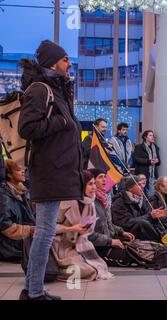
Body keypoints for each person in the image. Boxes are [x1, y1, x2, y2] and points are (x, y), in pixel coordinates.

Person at [18, 40, 83, 300]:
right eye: (65, 59)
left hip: (57, 172)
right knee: (44, 234)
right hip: (48, 172)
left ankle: (32, 289)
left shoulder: (59, 91)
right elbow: (27, 129)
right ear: (53, 62)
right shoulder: (39, 89)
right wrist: (60, 120)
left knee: (45, 234)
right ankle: (33, 293)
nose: (69, 64)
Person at [49, 170, 114, 284]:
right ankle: (54, 270)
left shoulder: (90, 203)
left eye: (94, 183)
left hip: (80, 244)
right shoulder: (65, 202)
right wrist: (71, 229)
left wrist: (85, 229)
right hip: (61, 245)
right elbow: (49, 227)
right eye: (90, 184)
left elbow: (89, 230)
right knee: (87, 270)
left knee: (98, 267)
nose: (94, 187)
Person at [87, 168, 136, 266]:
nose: (104, 180)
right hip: (98, 247)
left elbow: (107, 224)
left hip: (108, 241)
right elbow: (88, 234)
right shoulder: (89, 203)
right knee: (134, 255)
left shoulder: (103, 199)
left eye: (105, 177)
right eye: (100, 177)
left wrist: (121, 232)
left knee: (136, 246)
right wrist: (110, 241)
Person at [111, 175, 167, 242]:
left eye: (142, 184)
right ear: (130, 188)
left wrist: (155, 215)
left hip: (146, 225)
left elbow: (149, 215)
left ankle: (166, 236)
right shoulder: (120, 202)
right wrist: (150, 216)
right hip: (130, 231)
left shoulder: (142, 199)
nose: (143, 186)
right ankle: (164, 239)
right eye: (138, 184)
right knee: (142, 224)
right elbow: (125, 223)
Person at [0, 160, 35, 262]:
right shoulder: (4, 196)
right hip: (9, 247)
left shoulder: (20, 192)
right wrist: (30, 230)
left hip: (18, 241)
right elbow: (6, 227)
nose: (23, 171)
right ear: (10, 175)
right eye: (18, 170)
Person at [134, 130, 160, 196]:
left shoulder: (155, 147)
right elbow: (136, 159)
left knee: (152, 194)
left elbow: (159, 161)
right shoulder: (139, 147)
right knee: (142, 194)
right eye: (150, 135)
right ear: (145, 137)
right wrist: (149, 161)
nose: (152, 137)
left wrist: (157, 161)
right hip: (143, 174)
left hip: (153, 175)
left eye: (153, 135)